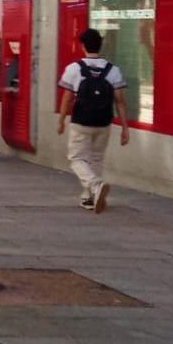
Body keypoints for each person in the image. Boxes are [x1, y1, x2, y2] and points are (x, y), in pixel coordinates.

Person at [58, 27, 129, 213]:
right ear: (101, 45)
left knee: (76, 158)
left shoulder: (74, 69)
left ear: (82, 46)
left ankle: (95, 185)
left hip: (81, 121)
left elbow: (67, 97)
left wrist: (61, 119)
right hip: (104, 122)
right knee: (96, 158)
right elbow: (120, 100)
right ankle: (89, 198)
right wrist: (125, 127)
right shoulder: (113, 70)